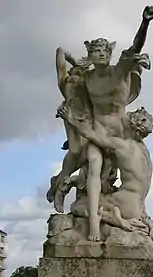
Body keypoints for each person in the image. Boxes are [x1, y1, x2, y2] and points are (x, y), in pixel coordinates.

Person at [80, 5, 153, 241]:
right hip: (99, 128)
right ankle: (94, 223)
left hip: (120, 130)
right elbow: (69, 86)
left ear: (110, 53)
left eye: (105, 50)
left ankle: (125, 211)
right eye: (96, 51)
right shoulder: (87, 78)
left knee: (136, 166)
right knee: (94, 164)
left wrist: (145, 23)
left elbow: (136, 47)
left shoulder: (120, 71)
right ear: (91, 54)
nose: (101, 54)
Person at [57, 105, 153, 236]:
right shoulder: (143, 150)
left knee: (78, 206)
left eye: (129, 115)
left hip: (125, 203)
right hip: (138, 207)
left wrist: (69, 119)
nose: (125, 114)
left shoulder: (123, 145)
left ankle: (111, 218)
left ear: (131, 125)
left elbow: (90, 134)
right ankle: (112, 216)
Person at [46, 47, 93, 212]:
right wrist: (75, 63)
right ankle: (60, 191)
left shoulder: (89, 81)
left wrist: (88, 65)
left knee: (85, 158)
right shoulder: (65, 81)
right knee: (75, 151)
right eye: (75, 72)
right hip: (70, 115)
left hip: (88, 120)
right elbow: (60, 52)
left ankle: (57, 182)